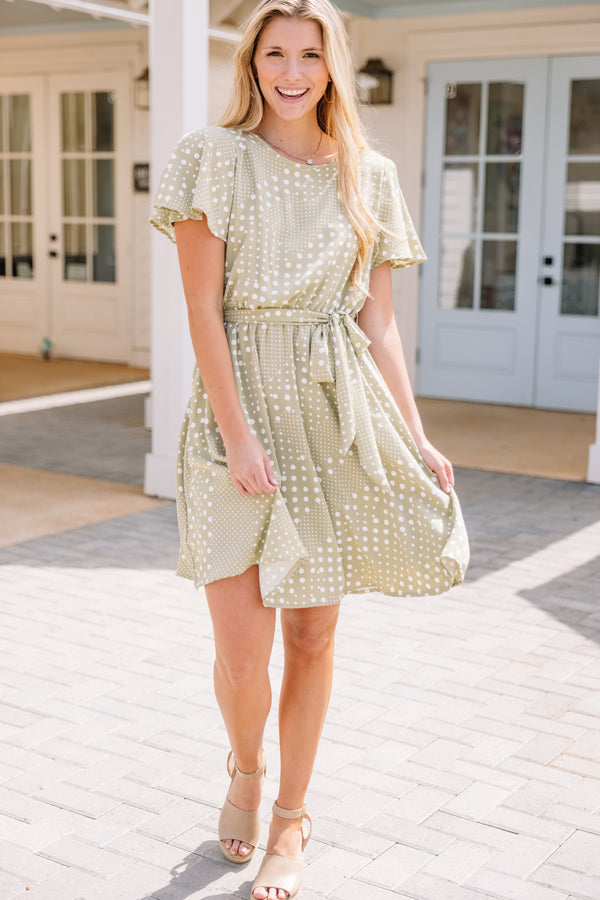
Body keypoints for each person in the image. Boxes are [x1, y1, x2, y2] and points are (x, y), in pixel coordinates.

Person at [150, 1, 469, 897]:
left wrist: (415, 430)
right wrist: (240, 435)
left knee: (315, 636)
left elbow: (379, 325)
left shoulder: (370, 175)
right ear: (251, 63)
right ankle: (245, 768)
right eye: (274, 53)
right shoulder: (211, 158)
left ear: (335, 67)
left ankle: (292, 817)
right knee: (241, 650)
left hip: (335, 414)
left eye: (310, 54)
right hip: (236, 413)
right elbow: (202, 311)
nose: (292, 71)